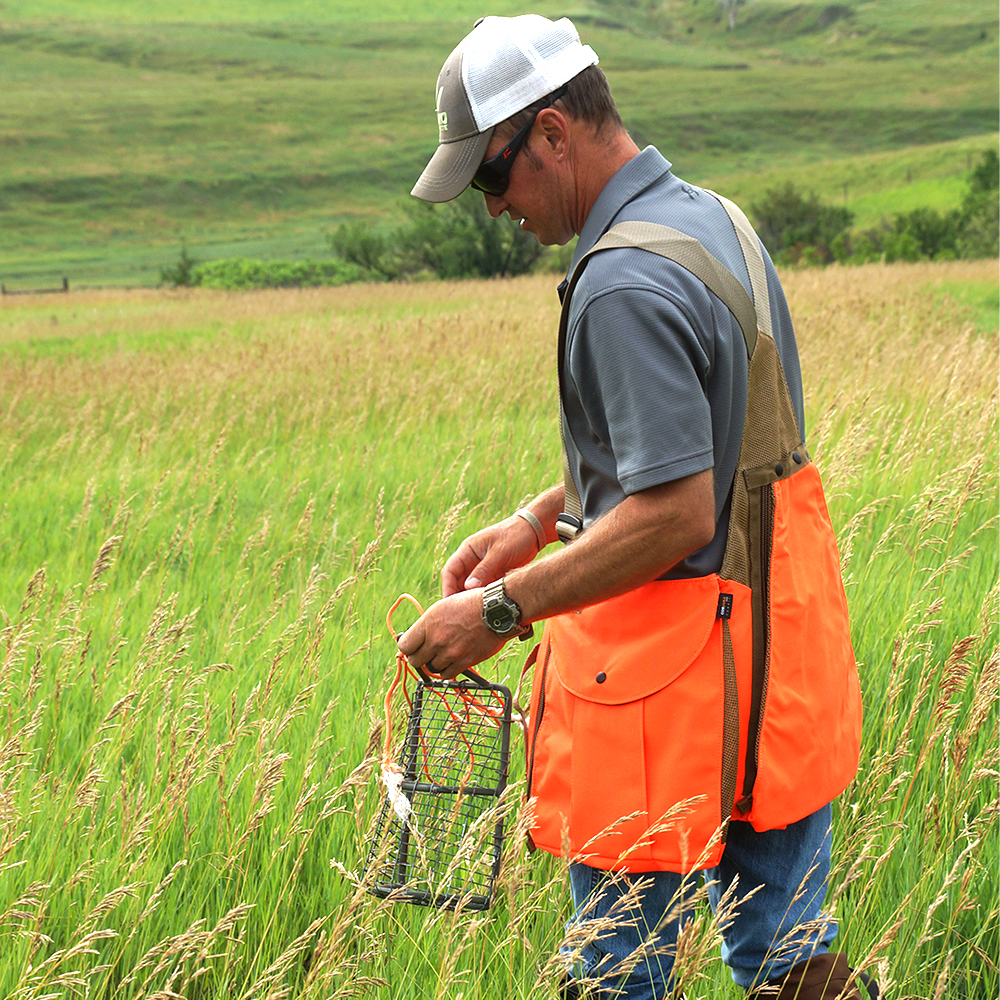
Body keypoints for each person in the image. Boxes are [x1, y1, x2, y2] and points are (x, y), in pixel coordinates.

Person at [398, 14, 879, 1000]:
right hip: (778, 666)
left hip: (661, 693)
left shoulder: (619, 279)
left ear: (551, 134)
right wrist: (538, 519)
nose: (495, 212)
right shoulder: (713, 218)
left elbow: (672, 512)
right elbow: (709, 445)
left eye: (491, 180)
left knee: (618, 974)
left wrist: (498, 610)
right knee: (792, 960)